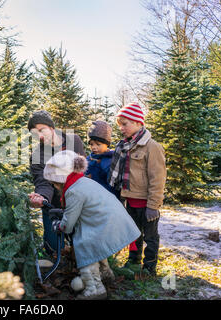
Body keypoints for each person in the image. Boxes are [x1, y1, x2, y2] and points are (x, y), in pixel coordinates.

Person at [44, 150, 141, 300]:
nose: (55, 187)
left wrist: (58, 224)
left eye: (54, 183)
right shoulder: (84, 182)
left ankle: (94, 288)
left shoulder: (73, 191)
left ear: (60, 180)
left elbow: (68, 225)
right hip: (114, 221)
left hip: (106, 224)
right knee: (92, 239)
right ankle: (105, 272)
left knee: (84, 243)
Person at [108, 103, 166, 276]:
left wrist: (153, 205)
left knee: (150, 237)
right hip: (130, 200)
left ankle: (149, 266)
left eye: (124, 124)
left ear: (137, 122)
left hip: (147, 204)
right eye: (119, 125)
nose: (121, 128)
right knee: (133, 234)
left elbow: (158, 178)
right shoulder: (125, 146)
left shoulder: (151, 147)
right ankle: (133, 261)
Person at [27, 110, 86, 254]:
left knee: (82, 245)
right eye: (35, 133)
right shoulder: (37, 156)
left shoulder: (74, 141)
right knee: (52, 248)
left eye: (42, 130)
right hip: (53, 205)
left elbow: (82, 171)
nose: (40, 136)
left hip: (77, 202)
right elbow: (43, 182)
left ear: (51, 128)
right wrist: (42, 197)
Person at [85, 120, 119, 198]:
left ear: (106, 144)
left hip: (106, 199)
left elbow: (113, 184)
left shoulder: (111, 160)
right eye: (91, 144)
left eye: (98, 144)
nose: (94, 147)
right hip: (90, 197)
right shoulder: (88, 159)